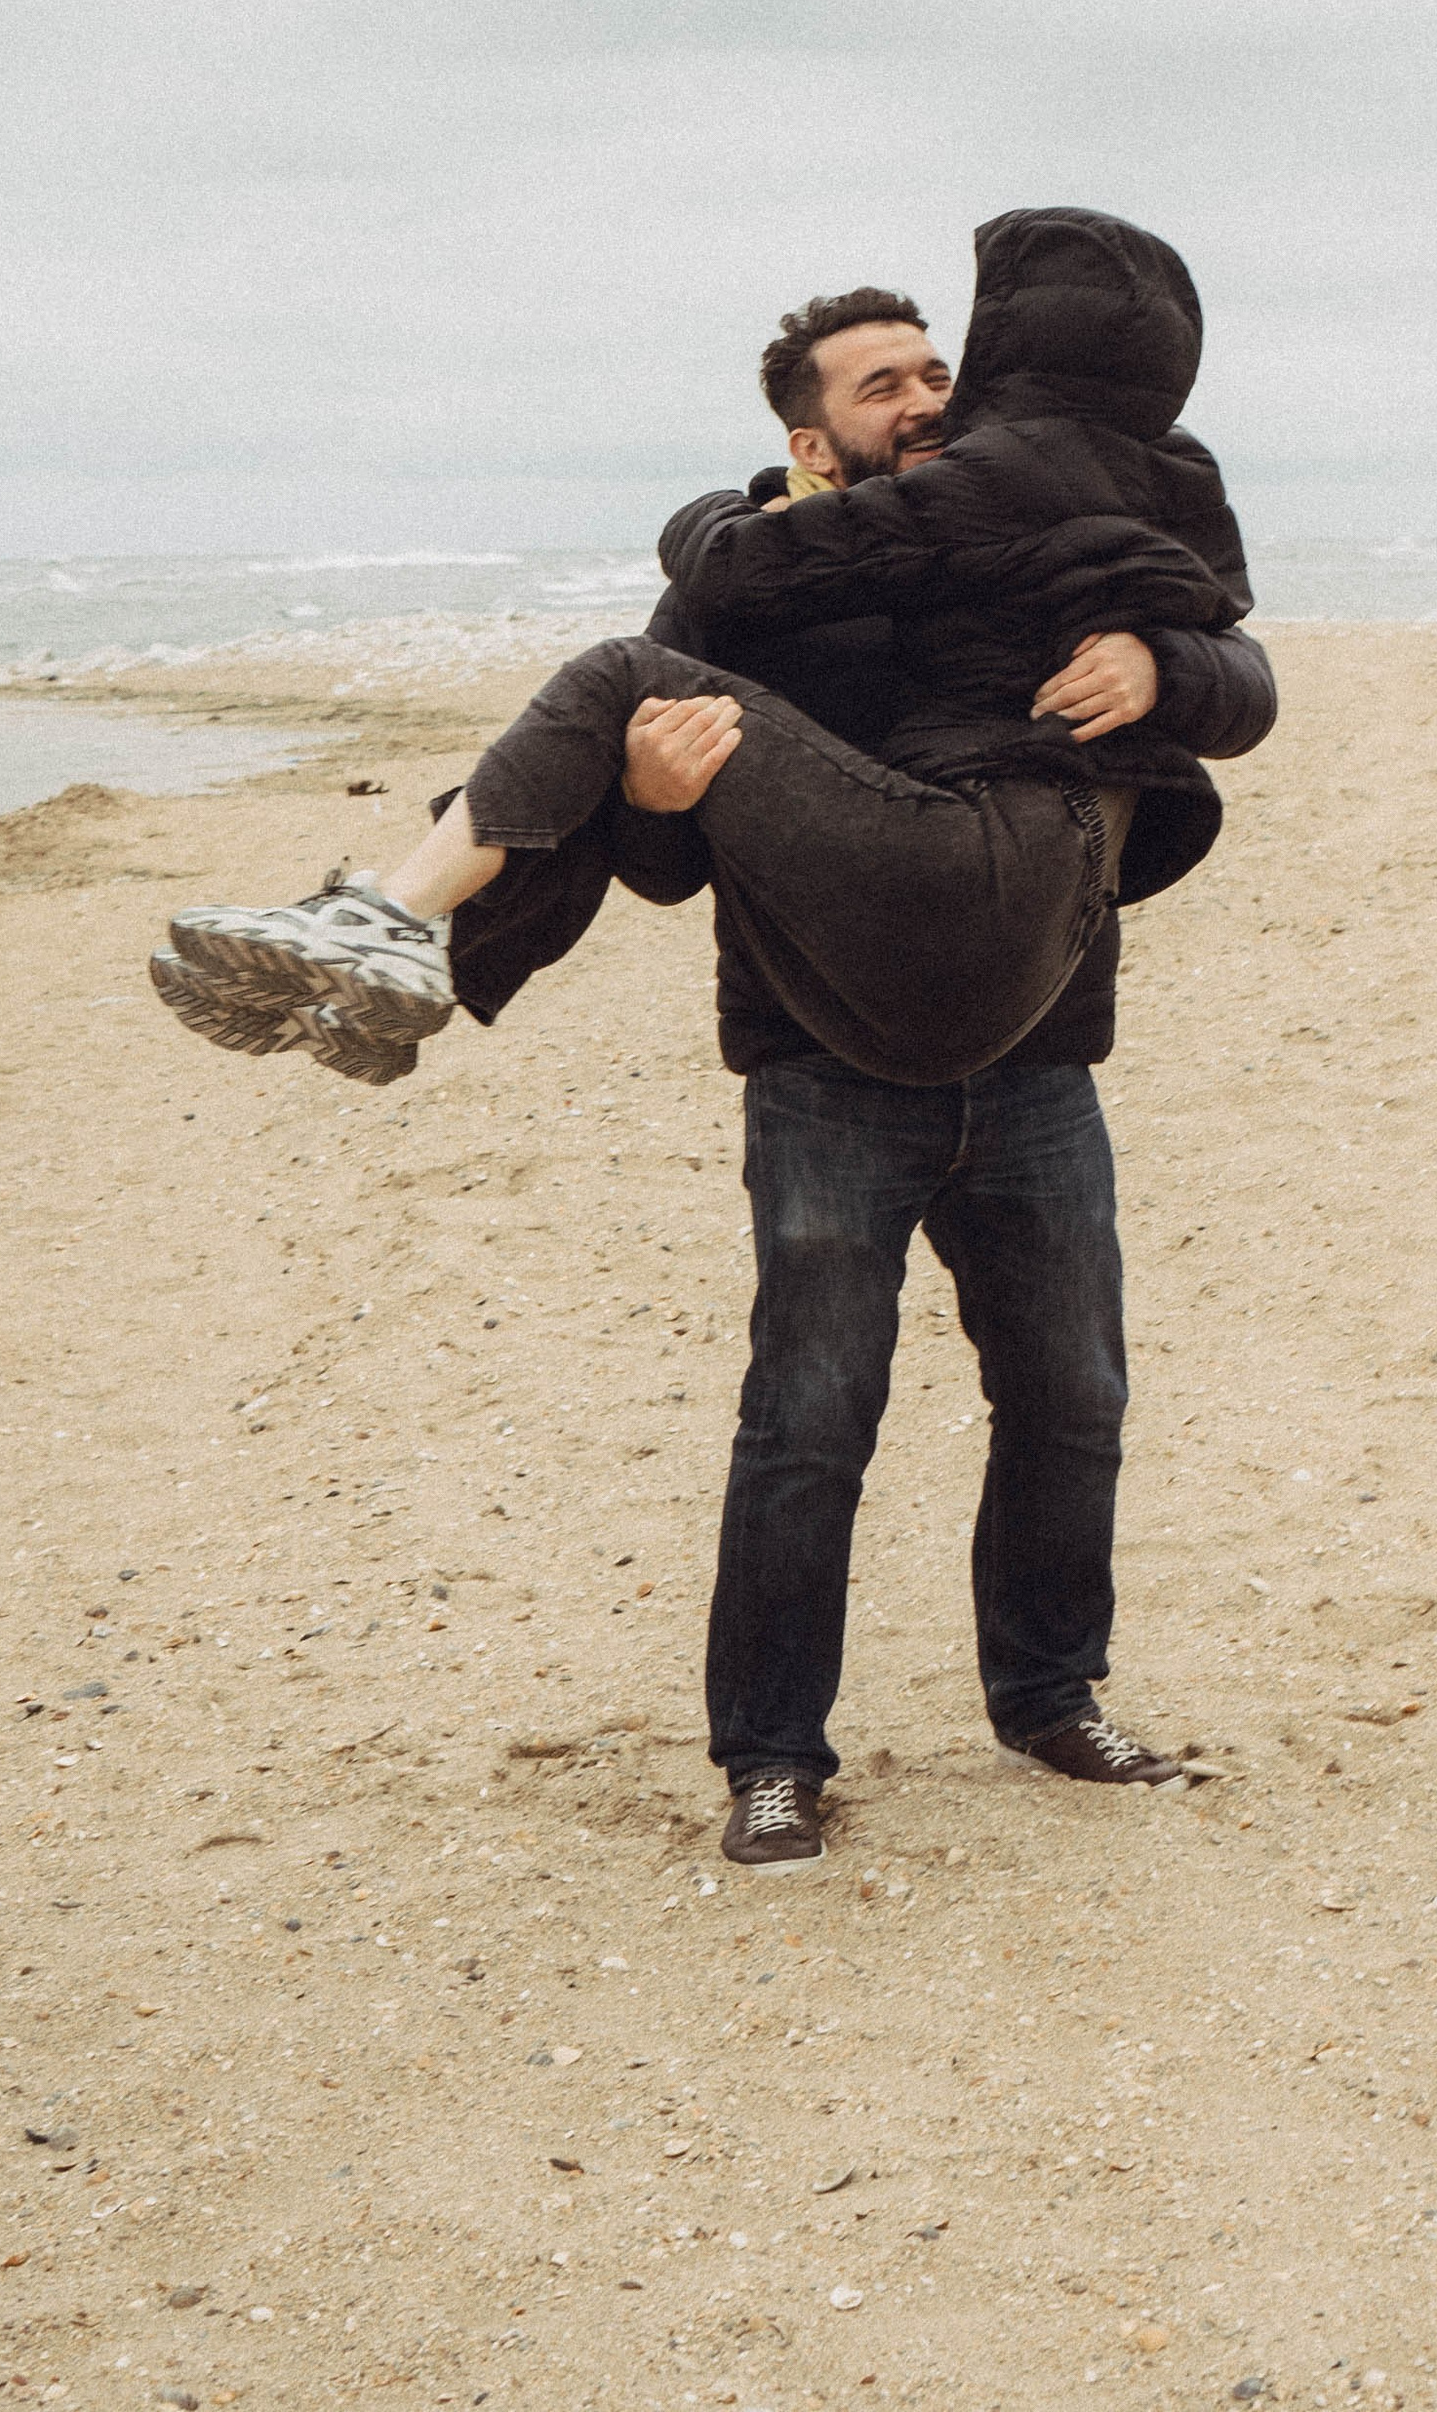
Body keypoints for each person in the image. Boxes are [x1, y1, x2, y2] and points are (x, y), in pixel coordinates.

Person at [151, 214, 1278, 1871]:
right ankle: (772, 1755)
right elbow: (666, 861)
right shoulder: (751, 590)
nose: (924, 396)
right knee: (810, 1412)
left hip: (1036, 1049)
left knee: (1073, 1392)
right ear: (813, 443)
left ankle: (1050, 1697)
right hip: (825, 1064)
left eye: (934, 367)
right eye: (884, 384)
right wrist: (665, 797)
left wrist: (1162, 661)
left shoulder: (1051, 526)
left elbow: (1244, 678)